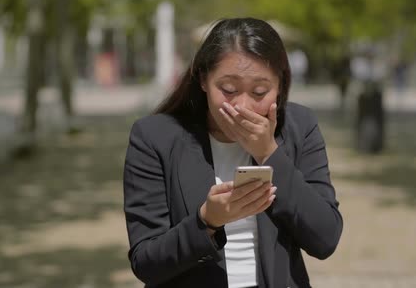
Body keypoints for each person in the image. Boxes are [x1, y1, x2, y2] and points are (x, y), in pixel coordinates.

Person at [123, 18, 343, 288]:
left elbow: (325, 238)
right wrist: (206, 222)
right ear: (203, 79)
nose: (242, 105)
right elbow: (146, 263)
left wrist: (269, 153)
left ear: (281, 87)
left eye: (260, 91)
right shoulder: (155, 137)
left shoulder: (300, 127)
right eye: (228, 89)